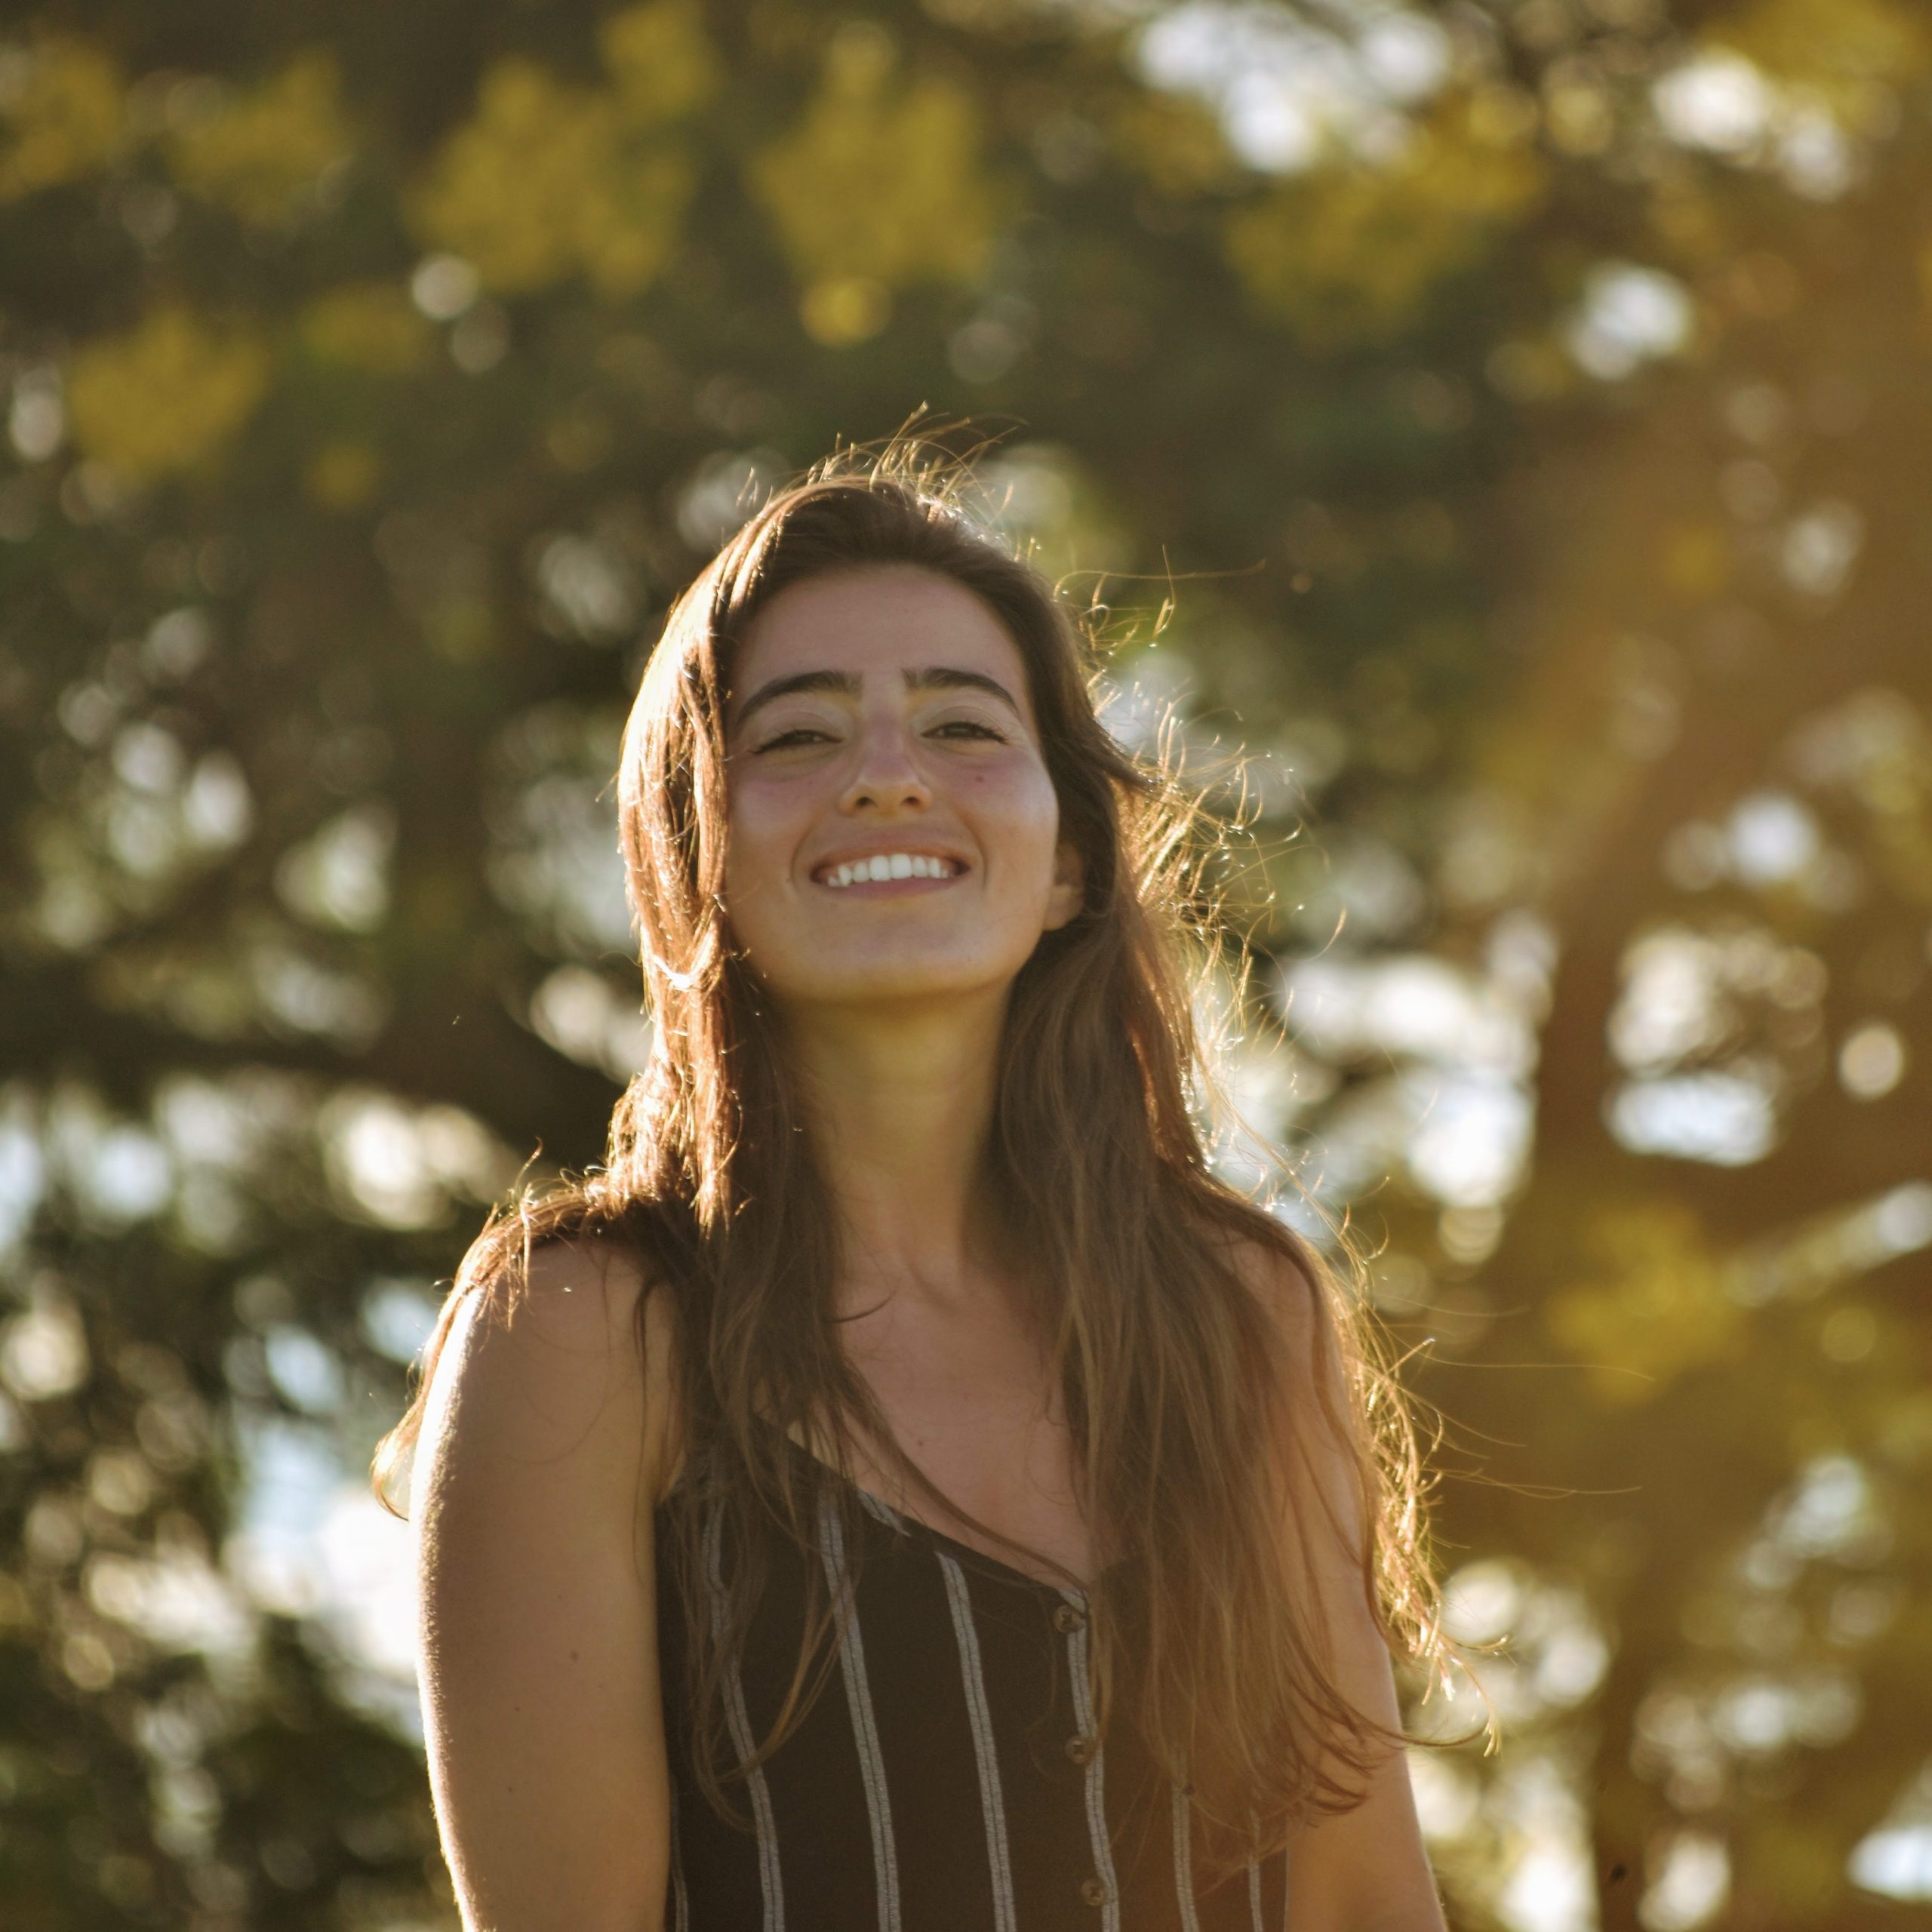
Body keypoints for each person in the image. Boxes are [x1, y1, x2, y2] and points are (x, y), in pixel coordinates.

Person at [374, 447, 1457, 1932]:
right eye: (799, 735)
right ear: (700, 852)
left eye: (960, 722)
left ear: (1071, 855)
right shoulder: (581, 1335)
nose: (887, 771)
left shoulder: (1241, 1314)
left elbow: (1362, 1902)